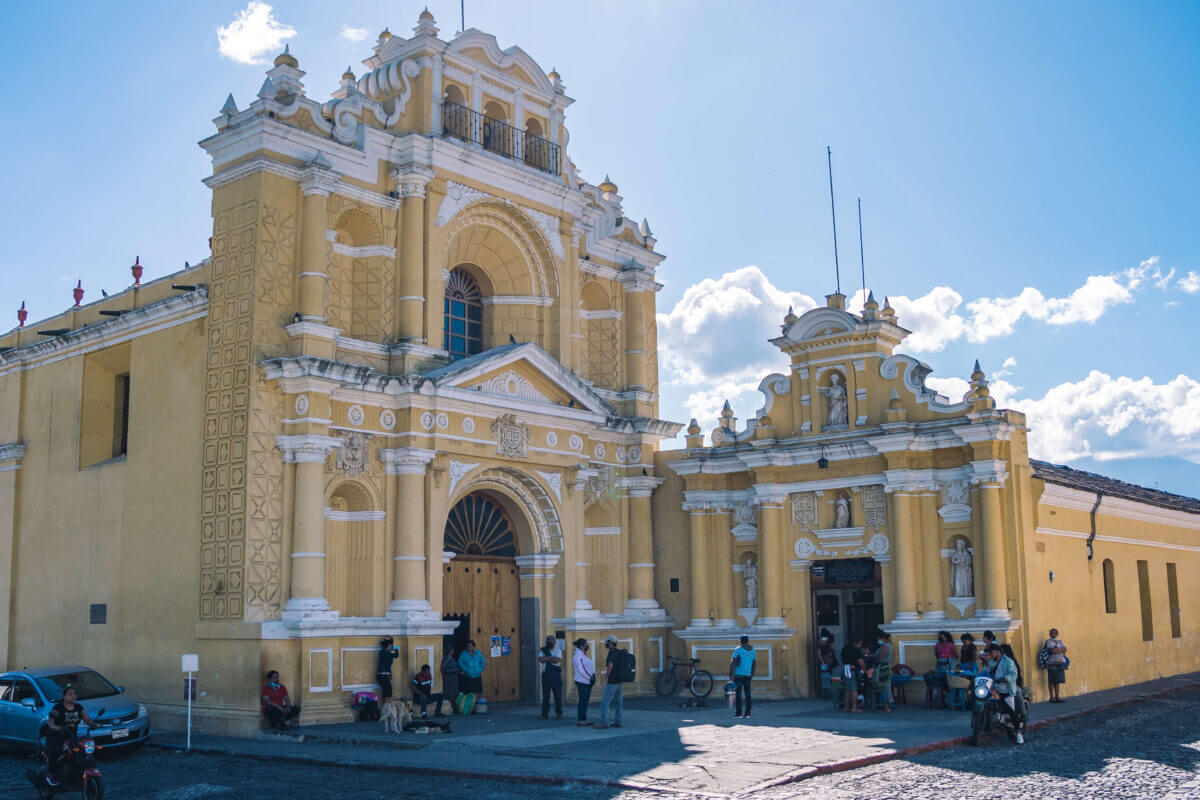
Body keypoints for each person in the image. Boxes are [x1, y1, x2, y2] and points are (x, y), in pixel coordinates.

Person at [44, 685, 98, 786]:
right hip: (56, 736)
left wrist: (94, 724)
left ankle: (79, 772)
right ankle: (50, 775)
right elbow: (50, 721)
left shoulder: (78, 707)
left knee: (83, 749)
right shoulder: (58, 707)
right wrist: (54, 727)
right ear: (64, 696)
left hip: (71, 736)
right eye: (70, 694)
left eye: (74, 694)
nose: (73, 696)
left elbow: (87, 719)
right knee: (56, 751)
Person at [985, 644, 1026, 744]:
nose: (990, 655)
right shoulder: (991, 662)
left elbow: (1013, 674)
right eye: (989, 653)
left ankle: (1019, 733)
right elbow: (986, 672)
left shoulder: (1008, 661)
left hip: (1006, 690)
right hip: (995, 690)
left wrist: (1005, 679)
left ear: (997, 651)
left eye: (992, 653)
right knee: (988, 702)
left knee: (1012, 712)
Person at [597, 635, 627, 729]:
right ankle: (618, 721)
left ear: (611, 642)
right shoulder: (619, 652)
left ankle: (604, 722)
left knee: (605, 702)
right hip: (619, 681)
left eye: (607, 642)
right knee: (619, 702)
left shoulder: (612, 652)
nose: (606, 643)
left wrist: (607, 675)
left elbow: (610, 664)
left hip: (613, 681)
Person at [729, 634, 757, 718]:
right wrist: (751, 674)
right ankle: (747, 713)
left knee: (738, 695)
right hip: (748, 675)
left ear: (740, 641)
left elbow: (733, 663)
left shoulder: (738, 650)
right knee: (748, 694)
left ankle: (739, 713)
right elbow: (754, 663)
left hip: (738, 675)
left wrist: (731, 673)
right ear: (748, 641)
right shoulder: (752, 650)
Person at [538, 634, 564, 719]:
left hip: (555, 674)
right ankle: (544, 714)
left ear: (554, 642)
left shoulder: (558, 650)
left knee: (557, 695)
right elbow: (540, 659)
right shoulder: (543, 650)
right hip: (545, 674)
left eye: (551, 640)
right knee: (545, 695)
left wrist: (546, 658)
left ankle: (559, 713)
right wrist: (550, 657)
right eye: (548, 640)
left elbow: (556, 661)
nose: (549, 642)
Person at [572, 638, 596, 726]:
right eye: (586, 644)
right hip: (583, 681)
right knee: (583, 701)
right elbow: (581, 670)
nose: (587, 646)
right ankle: (581, 719)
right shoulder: (578, 656)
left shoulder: (583, 654)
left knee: (585, 701)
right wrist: (590, 677)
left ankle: (584, 718)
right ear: (582, 646)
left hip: (586, 681)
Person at [840, 636, 867, 712]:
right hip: (852, 670)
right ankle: (854, 707)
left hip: (845, 669)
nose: (860, 645)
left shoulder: (845, 648)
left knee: (848, 689)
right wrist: (864, 672)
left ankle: (846, 707)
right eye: (860, 643)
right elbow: (861, 663)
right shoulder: (856, 650)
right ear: (856, 643)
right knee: (854, 689)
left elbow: (841, 658)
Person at [870, 631, 894, 712]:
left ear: (882, 638)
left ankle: (888, 706)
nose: (878, 641)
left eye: (878, 639)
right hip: (883, 667)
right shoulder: (885, 645)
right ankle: (887, 705)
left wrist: (872, 657)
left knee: (886, 686)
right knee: (884, 686)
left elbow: (880, 658)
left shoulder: (885, 646)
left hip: (883, 667)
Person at [1043, 628, 1068, 702]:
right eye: (1052, 633)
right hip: (1051, 663)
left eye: (1055, 633)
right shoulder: (1048, 641)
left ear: (1057, 634)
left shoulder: (1060, 641)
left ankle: (1057, 696)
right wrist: (1060, 650)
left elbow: (1065, 649)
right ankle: (1051, 697)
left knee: (1058, 680)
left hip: (1060, 663)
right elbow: (1052, 650)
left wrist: (1057, 650)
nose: (1053, 634)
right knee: (1051, 680)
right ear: (1050, 634)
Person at [816, 629, 838, 699]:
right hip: (824, 663)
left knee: (828, 678)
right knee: (825, 678)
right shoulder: (819, 644)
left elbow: (832, 650)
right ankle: (826, 695)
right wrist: (823, 662)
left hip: (829, 663)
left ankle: (827, 694)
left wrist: (830, 655)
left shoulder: (828, 643)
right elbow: (819, 655)